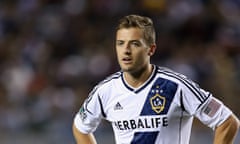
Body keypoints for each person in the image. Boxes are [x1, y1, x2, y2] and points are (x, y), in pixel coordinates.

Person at [72, 14, 239, 144]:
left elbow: (227, 121)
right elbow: (80, 127)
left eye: (135, 44)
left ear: (151, 49)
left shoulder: (175, 86)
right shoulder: (105, 91)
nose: (126, 50)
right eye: (120, 43)